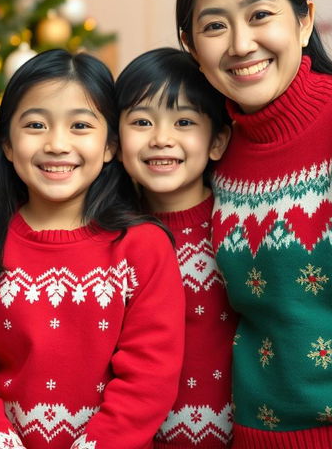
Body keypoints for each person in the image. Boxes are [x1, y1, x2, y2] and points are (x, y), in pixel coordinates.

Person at [176, 0, 332, 448]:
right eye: (214, 25)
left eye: (259, 15)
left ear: (304, 21)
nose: (240, 44)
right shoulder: (213, 147)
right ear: (191, 46)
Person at [0, 48, 185, 449]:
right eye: (35, 124)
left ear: (110, 147)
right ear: (8, 144)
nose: (56, 144)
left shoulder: (143, 248)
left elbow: (148, 379)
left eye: (81, 126)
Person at [115, 47, 236, 449]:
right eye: (142, 121)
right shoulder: (110, 237)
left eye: (183, 121)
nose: (161, 139)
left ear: (217, 140)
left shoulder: (236, 228)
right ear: (115, 140)